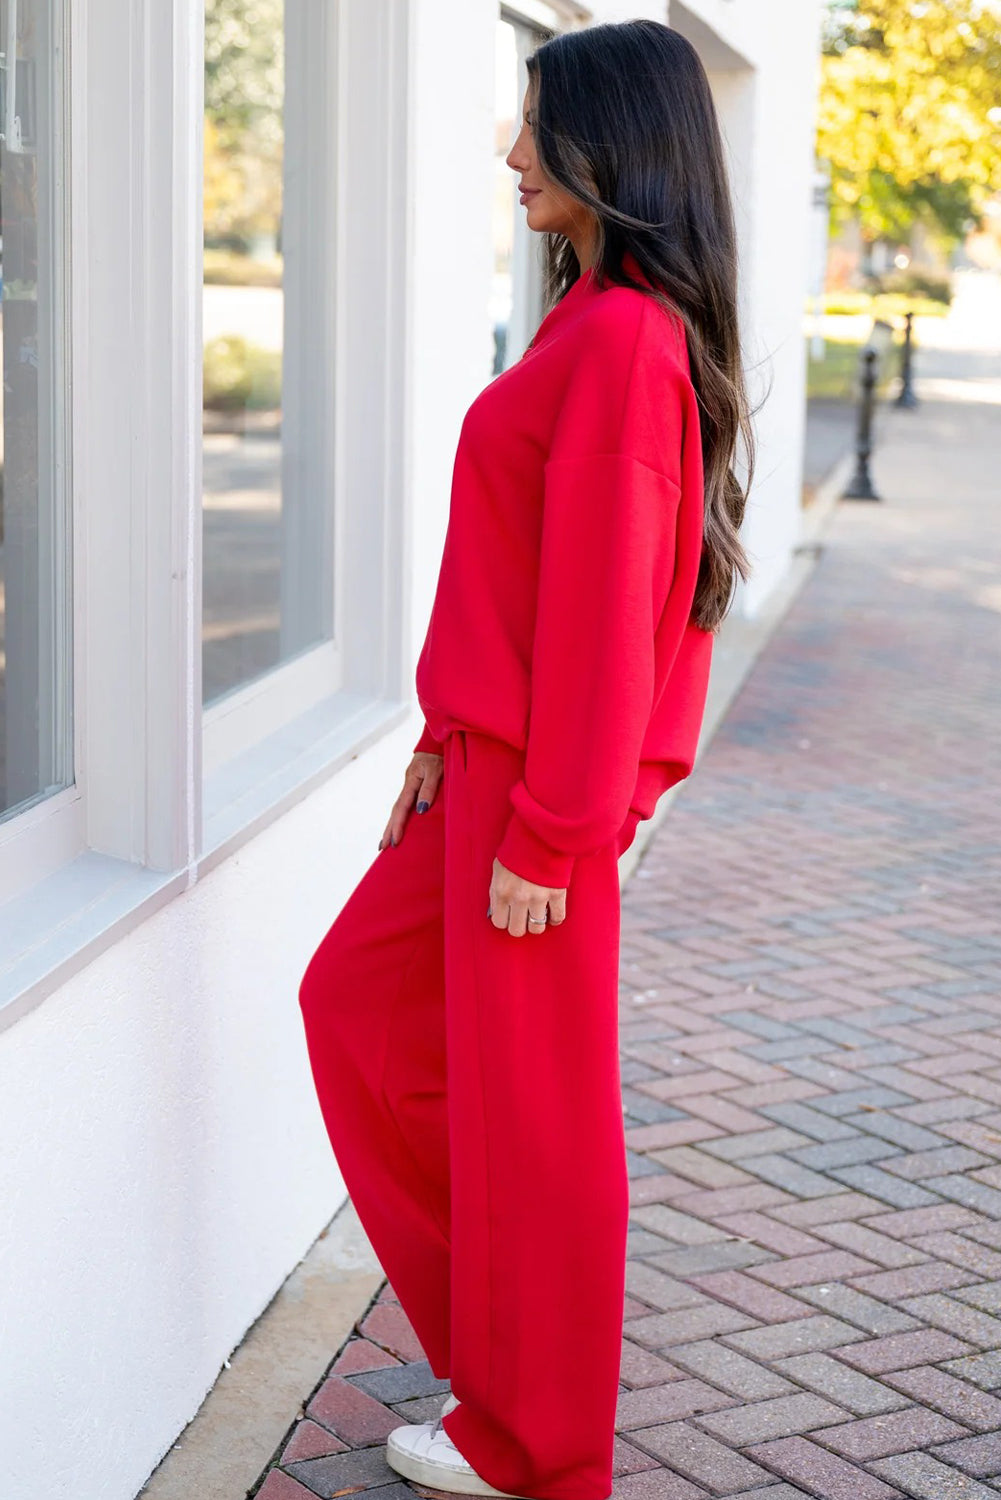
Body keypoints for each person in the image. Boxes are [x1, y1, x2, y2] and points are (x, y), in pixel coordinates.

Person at [298, 18, 754, 1500]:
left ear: (613, 146)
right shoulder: (595, 317)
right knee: (361, 1016)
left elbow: (610, 612)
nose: (507, 151)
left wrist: (552, 832)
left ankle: (537, 1445)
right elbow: (526, 574)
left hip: (532, 796)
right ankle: (500, 1366)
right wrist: (444, 742)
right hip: (486, 769)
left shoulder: (623, 340)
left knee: (538, 1124)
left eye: (533, 124)